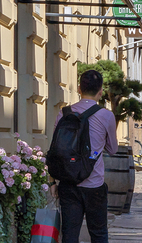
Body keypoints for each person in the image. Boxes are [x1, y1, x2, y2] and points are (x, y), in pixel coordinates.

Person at [55, 69, 119, 243]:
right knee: (98, 233)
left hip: (68, 182)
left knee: (69, 234)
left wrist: (52, 181)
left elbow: (56, 149)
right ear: (100, 92)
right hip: (94, 183)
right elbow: (113, 149)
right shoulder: (106, 115)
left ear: (79, 89)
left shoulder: (64, 113)